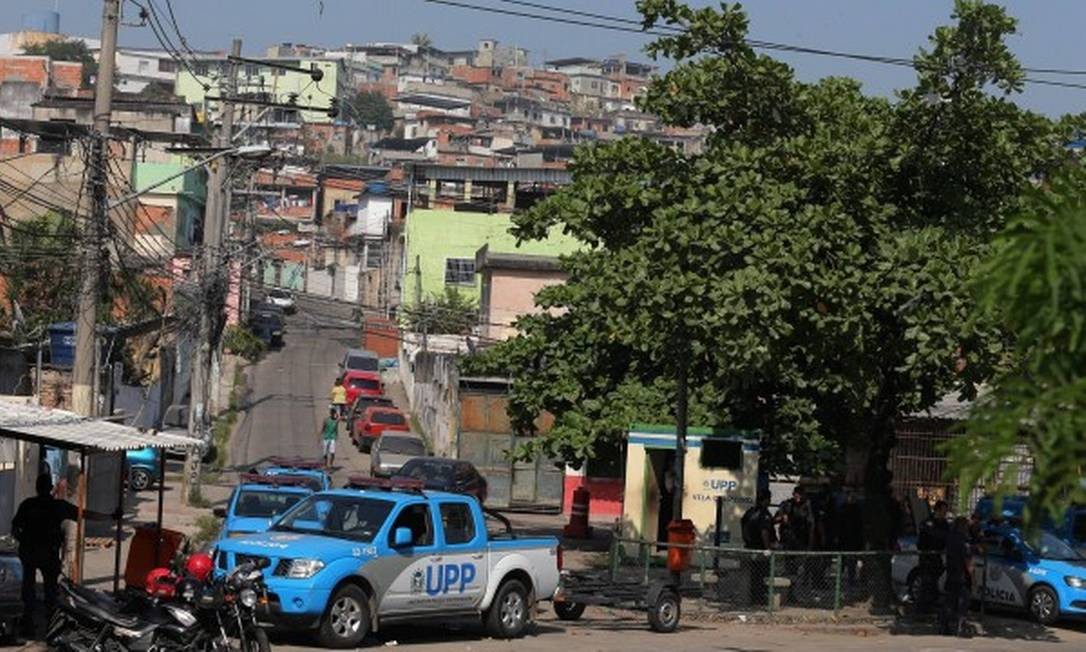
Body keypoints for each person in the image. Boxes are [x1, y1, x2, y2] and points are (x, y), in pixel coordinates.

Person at [11, 473, 118, 638]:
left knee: (30, 589)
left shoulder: (28, 504)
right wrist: (110, 517)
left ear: (37, 487)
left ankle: (29, 623)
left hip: (31, 553)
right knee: (50, 592)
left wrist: (24, 541)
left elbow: (15, 529)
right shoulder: (57, 506)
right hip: (47, 554)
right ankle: (50, 626)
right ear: (50, 488)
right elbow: (84, 514)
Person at [776, 485, 816, 595]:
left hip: (801, 541)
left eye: (801, 494)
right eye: (796, 493)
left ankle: (795, 591)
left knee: (799, 567)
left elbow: (811, 525)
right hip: (788, 540)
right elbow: (775, 519)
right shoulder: (786, 504)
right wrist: (782, 517)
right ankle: (788, 592)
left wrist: (810, 543)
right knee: (788, 567)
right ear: (793, 494)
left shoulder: (807, 506)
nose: (798, 496)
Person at [742, 492, 777, 606]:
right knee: (761, 576)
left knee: (752, 575)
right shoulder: (763, 514)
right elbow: (764, 531)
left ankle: (751, 597)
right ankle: (759, 599)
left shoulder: (750, 512)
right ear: (765, 500)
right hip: (760, 549)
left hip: (749, 547)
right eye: (769, 499)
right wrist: (767, 548)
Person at [940, 517, 974, 637]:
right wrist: (972, 576)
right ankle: (961, 627)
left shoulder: (950, 538)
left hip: (951, 573)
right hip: (961, 575)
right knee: (964, 601)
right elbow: (967, 559)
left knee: (949, 600)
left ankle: (944, 626)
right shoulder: (964, 540)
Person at [917, 500, 950, 614]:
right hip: (927, 557)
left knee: (933, 583)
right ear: (938, 510)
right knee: (926, 583)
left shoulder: (944, 524)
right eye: (944, 510)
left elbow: (946, 537)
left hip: (937, 557)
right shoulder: (928, 522)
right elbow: (927, 537)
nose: (945, 513)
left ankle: (930, 607)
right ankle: (922, 610)